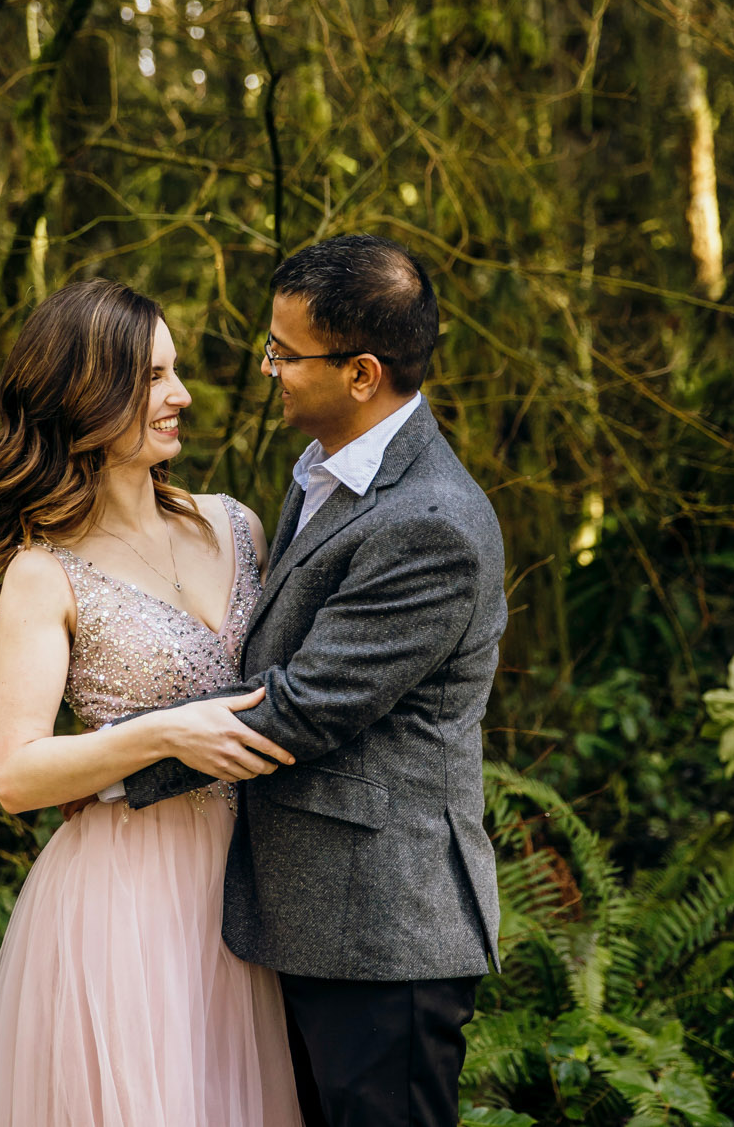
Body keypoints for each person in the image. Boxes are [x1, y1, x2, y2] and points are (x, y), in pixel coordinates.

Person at [117, 233, 508, 1127]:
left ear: (362, 372)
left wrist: (114, 761)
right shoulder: (327, 473)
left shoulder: (433, 522)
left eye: (286, 354)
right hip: (314, 914)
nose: (270, 370)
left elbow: (302, 705)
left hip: (383, 931)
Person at [0, 278, 305, 1127]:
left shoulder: (238, 524)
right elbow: (16, 773)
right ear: (86, 394)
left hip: (253, 892)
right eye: (153, 377)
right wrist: (162, 732)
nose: (180, 396)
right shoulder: (45, 573)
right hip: (126, 908)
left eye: (174, 371)